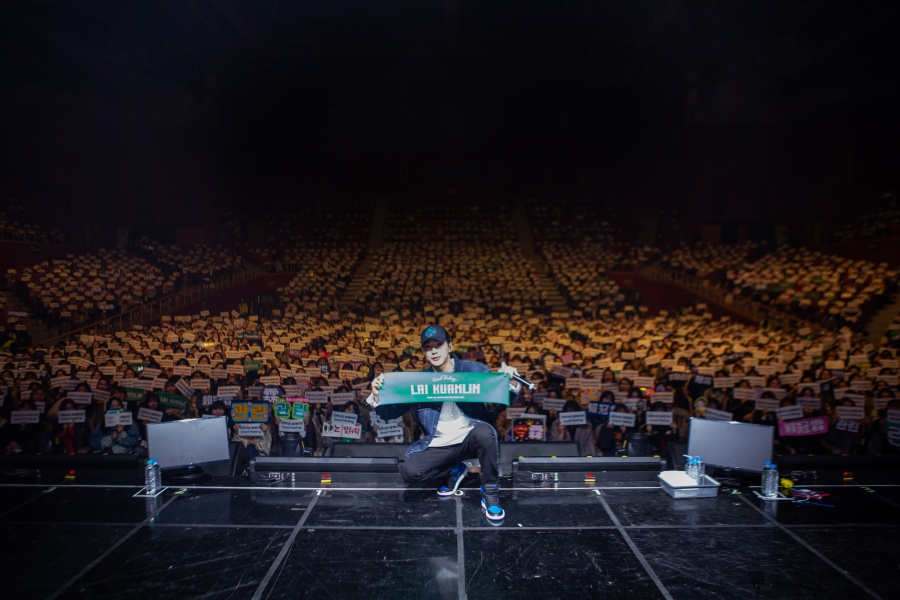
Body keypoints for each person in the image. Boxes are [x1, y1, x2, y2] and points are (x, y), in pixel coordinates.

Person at [367, 325, 521, 522]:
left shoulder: (474, 370)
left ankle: (490, 492)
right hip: (440, 445)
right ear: (423, 352)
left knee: (485, 432)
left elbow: (503, 400)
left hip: (471, 438)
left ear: (450, 347)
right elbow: (389, 413)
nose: (433, 350)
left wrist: (511, 383)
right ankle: (456, 469)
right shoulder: (418, 381)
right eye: (428, 347)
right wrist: (376, 394)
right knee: (410, 472)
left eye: (438, 345)